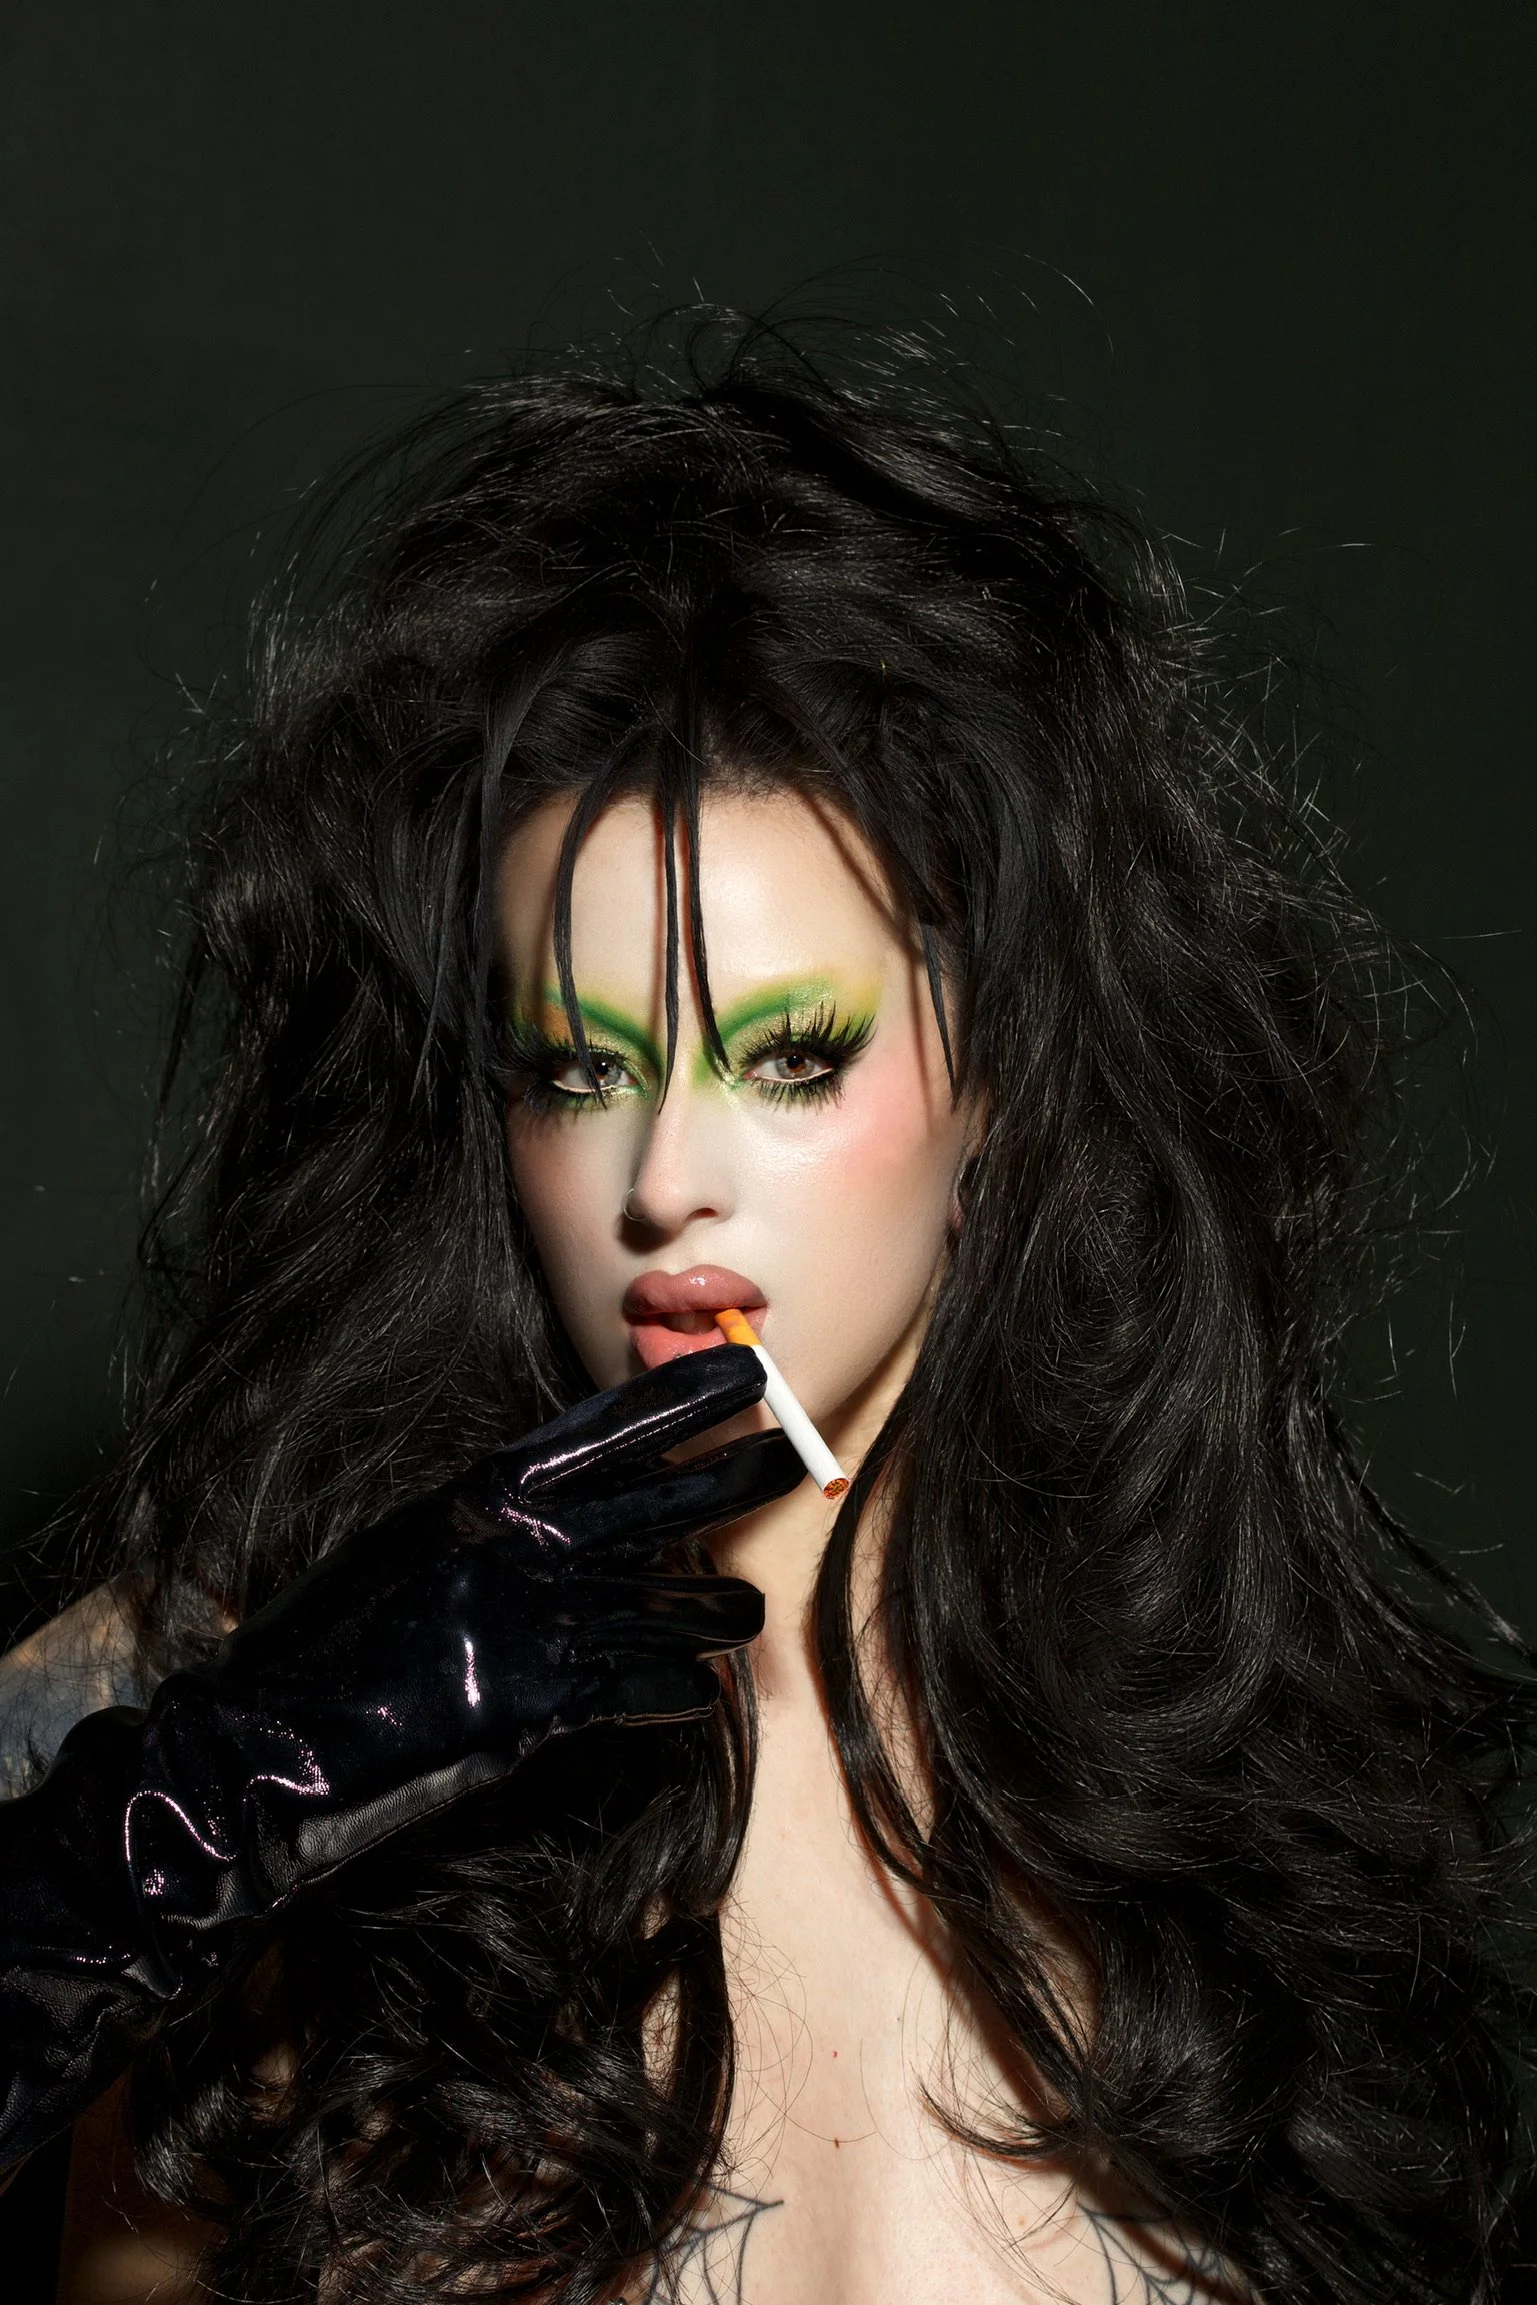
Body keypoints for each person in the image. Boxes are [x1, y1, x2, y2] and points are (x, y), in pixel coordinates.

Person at [0, 322, 1530, 2305]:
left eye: (793, 1059)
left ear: (1003, 1082)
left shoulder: (1242, 1803)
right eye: (579, 1068)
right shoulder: (214, 1721)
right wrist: (202, 1819)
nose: (665, 1180)